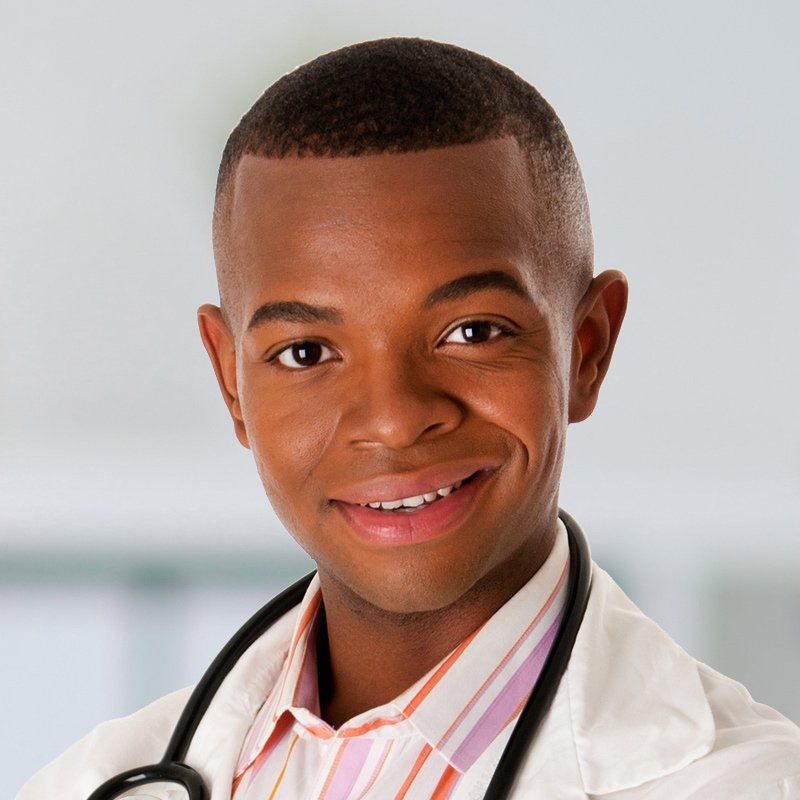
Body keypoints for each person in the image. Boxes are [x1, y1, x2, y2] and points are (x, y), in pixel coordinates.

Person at [18, 36, 800, 800]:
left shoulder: (747, 784)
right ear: (232, 383)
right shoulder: (89, 782)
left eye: (473, 333)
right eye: (306, 352)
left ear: (587, 350)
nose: (392, 420)